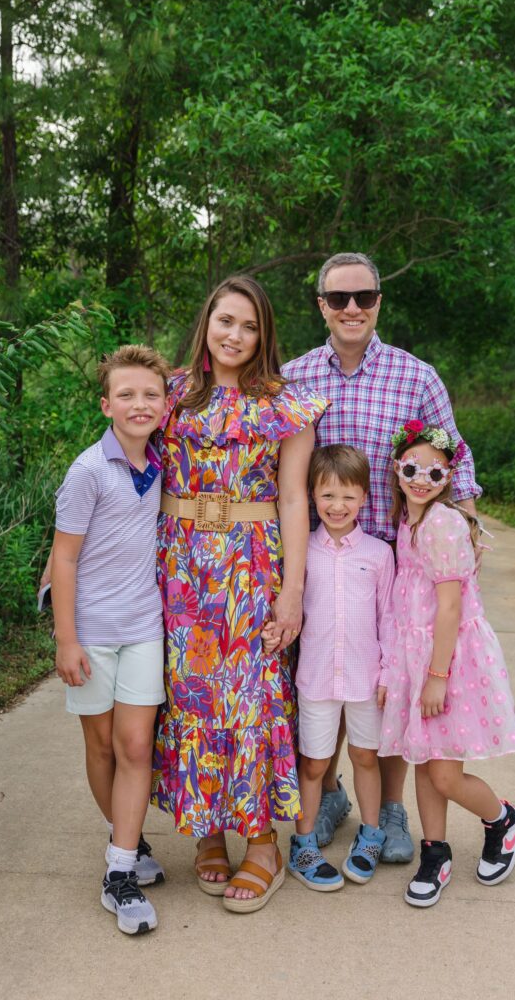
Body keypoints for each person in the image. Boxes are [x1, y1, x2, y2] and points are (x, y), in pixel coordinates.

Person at [282, 251, 482, 862]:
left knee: (383, 684)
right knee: (321, 675)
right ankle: (331, 794)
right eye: (338, 298)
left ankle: (391, 809)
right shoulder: (292, 378)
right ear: (320, 305)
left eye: (363, 297)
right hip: (314, 561)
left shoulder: (415, 378)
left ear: (378, 304)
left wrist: (464, 556)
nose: (351, 309)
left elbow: (459, 467)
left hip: (397, 565)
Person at [151, 275, 328, 913]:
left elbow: (292, 501)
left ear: (264, 336)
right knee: (194, 697)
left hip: (252, 569)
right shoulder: (168, 393)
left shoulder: (285, 404)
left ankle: (262, 843)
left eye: (250, 326)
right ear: (207, 322)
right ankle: (209, 831)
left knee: (252, 700)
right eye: (227, 320)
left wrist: (293, 593)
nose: (236, 335)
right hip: (181, 569)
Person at [380, 421, 515, 907]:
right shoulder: (409, 517)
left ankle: (502, 818)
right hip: (416, 656)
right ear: (397, 468)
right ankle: (435, 852)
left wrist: (436, 677)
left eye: (435, 473)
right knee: (423, 761)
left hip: (446, 661)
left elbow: (449, 606)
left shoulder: (442, 522)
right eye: (412, 468)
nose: (422, 478)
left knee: (443, 773)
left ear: (449, 478)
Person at [51, 344, 170, 935]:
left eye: (151, 394)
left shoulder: (163, 465)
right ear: (106, 405)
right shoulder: (88, 471)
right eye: (126, 394)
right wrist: (65, 639)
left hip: (145, 628)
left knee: (135, 747)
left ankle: (119, 872)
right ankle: (130, 840)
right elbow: (64, 559)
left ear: (166, 405)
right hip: (92, 634)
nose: (139, 403)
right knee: (101, 748)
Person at [263, 445, 395, 890]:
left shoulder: (379, 554)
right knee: (315, 763)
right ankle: (303, 845)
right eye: (327, 496)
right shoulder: (301, 552)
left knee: (364, 756)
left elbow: (389, 618)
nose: (337, 507)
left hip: (365, 678)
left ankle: (371, 835)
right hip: (317, 676)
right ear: (312, 497)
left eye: (348, 497)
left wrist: (390, 672)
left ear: (364, 499)